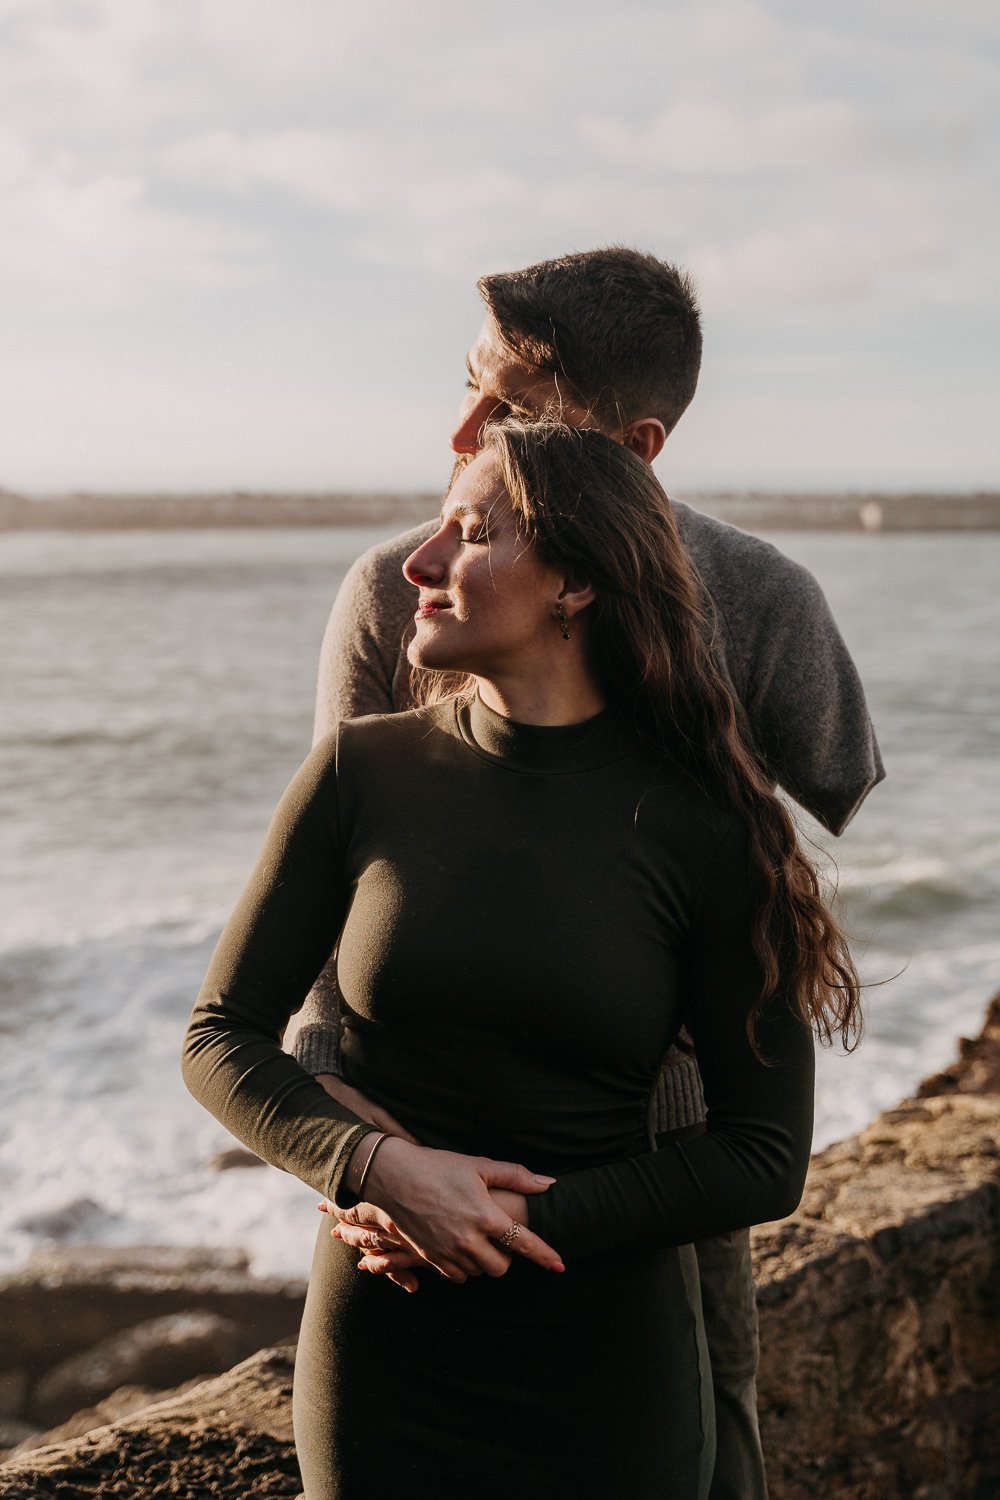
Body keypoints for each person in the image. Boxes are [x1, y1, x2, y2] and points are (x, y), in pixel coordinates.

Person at [290, 248, 884, 1498]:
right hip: (416, 1139)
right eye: (464, 387)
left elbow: (793, 840)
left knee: (708, 1445)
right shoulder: (396, 592)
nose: (462, 433)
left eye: (508, 407)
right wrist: (346, 1131)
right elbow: (334, 891)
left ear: (636, 442)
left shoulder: (760, 596)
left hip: (666, 1159)